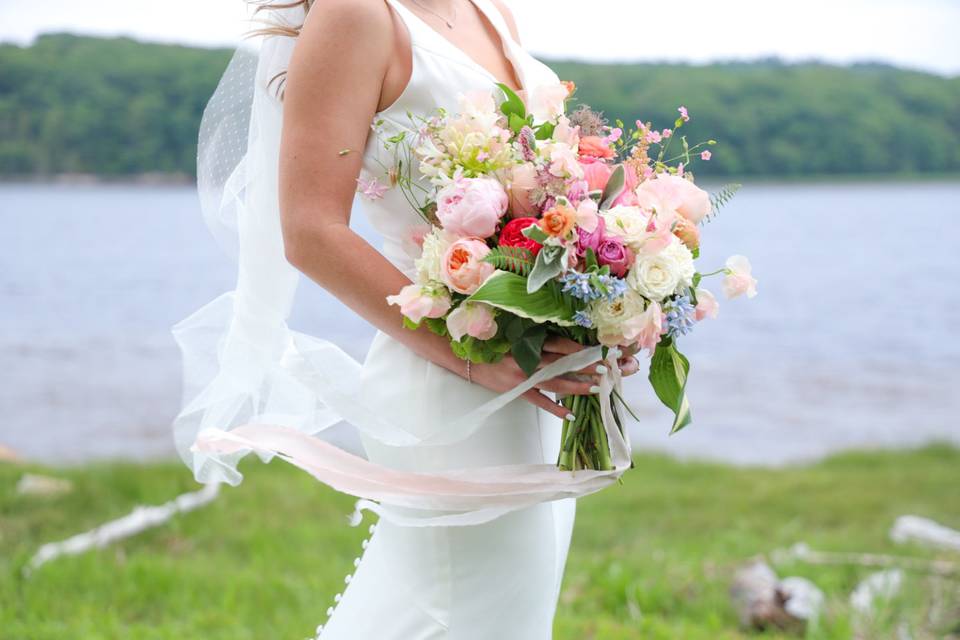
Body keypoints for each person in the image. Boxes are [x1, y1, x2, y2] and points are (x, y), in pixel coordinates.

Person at [177, 1, 639, 637]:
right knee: (449, 613)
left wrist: (601, 315)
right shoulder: (356, 15)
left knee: (507, 615)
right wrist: (473, 358)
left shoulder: (490, 10)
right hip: (448, 376)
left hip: (531, 378)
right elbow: (310, 231)